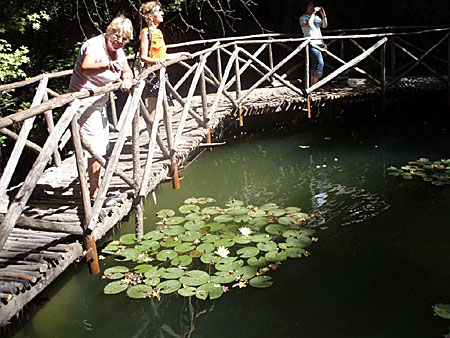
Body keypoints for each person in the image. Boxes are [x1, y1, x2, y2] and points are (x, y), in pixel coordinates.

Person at [69, 16, 134, 202]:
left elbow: (126, 70)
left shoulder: (119, 51)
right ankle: (94, 196)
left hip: (99, 102)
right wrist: (107, 65)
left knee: (101, 145)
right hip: (82, 102)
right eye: (117, 36)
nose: (120, 41)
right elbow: (86, 68)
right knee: (95, 148)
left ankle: (96, 190)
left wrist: (126, 79)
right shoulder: (94, 45)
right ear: (109, 32)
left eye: (124, 39)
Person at [139, 1, 190, 117]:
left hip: (162, 72)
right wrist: (156, 62)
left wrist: (181, 54)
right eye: (158, 11)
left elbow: (163, 55)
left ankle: (166, 134)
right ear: (149, 16)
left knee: (169, 106)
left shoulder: (158, 32)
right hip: (152, 74)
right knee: (153, 110)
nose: (162, 13)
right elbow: (143, 57)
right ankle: (154, 134)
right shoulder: (146, 33)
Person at [300, 1, 328, 85]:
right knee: (320, 63)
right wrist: (313, 13)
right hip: (311, 43)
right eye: (310, 6)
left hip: (319, 43)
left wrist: (323, 15)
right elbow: (309, 24)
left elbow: (324, 26)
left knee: (315, 64)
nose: (312, 7)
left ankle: (312, 84)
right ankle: (314, 86)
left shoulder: (316, 17)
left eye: (312, 5)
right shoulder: (303, 18)